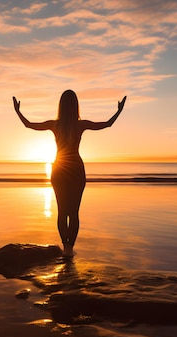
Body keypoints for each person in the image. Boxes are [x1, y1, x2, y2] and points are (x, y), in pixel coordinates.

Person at [13, 90, 126, 257]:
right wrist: (119, 111)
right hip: (76, 169)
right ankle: (69, 249)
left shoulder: (55, 124)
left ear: (60, 106)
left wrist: (18, 111)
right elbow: (107, 124)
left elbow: (28, 124)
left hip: (59, 168)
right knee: (73, 212)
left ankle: (65, 246)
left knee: (62, 211)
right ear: (76, 106)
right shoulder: (80, 125)